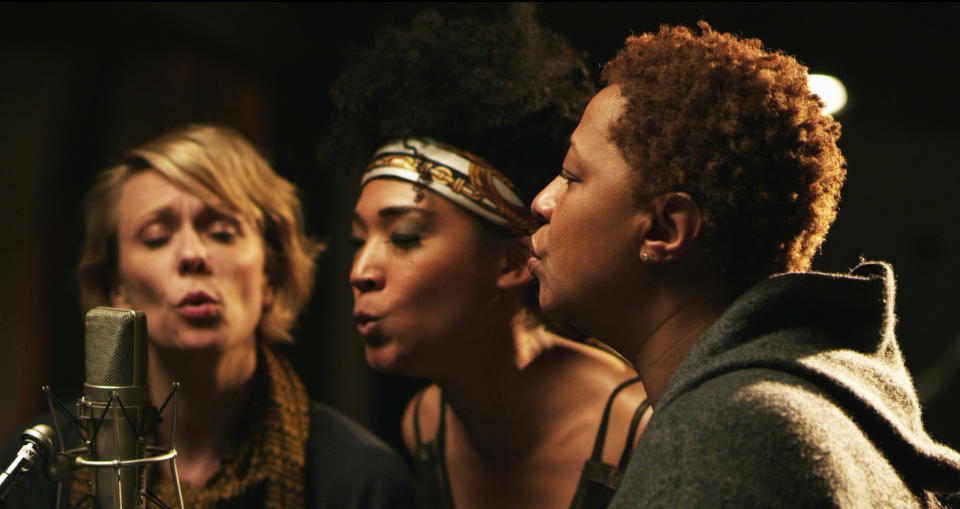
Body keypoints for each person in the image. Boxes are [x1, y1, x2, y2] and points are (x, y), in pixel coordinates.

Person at [528, 20, 960, 507]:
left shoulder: (720, 440)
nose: (543, 202)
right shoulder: (795, 412)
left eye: (571, 175)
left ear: (666, 230)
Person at [328, 6, 651, 509]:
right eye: (358, 240)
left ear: (510, 262)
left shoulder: (637, 428)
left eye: (406, 236)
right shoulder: (425, 427)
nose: (361, 272)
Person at [1, 124, 414, 508]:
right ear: (117, 287)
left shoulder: (359, 480)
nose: (193, 255)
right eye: (157, 237)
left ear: (271, 273)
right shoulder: (38, 468)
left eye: (221, 232)